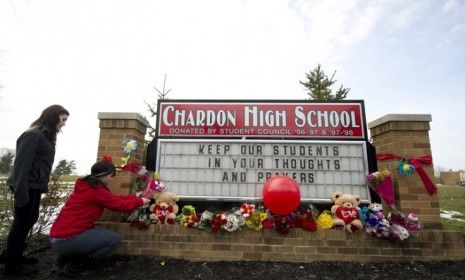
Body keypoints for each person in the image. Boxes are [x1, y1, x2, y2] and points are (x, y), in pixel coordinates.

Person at [49, 156, 150, 278]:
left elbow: (114, 199)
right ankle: (75, 266)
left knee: (98, 232)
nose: (112, 179)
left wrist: (137, 199)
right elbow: (118, 204)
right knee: (114, 239)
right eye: (112, 176)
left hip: (59, 237)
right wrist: (140, 202)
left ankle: (66, 258)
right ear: (104, 175)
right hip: (67, 238)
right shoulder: (95, 190)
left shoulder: (87, 186)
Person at [1, 104, 69, 277]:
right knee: (21, 223)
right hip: (25, 186)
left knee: (30, 219)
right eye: (63, 120)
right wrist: (21, 192)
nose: (64, 124)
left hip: (34, 186)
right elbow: (20, 167)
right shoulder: (33, 135)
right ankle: (12, 264)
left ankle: (13, 254)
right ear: (53, 117)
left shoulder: (47, 136)